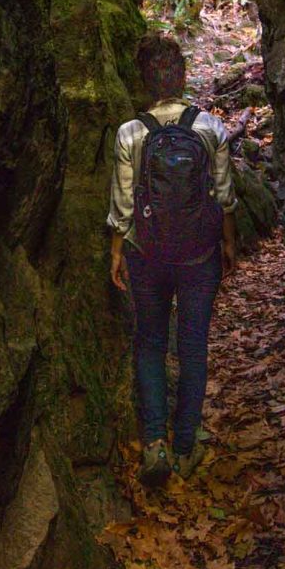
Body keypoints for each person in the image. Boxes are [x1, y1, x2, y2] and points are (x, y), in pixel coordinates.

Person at [107, 33, 238, 486]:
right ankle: (185, 445)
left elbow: (123, 206)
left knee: (150, 342)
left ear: (145, 80)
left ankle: (154, 444)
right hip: (199, 254)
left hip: (148, 254)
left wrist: (117, 251)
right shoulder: (210, 128)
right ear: (181, 77)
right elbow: (224, 197)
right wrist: (228, 244)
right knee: (193, 345)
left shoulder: (131, 132)